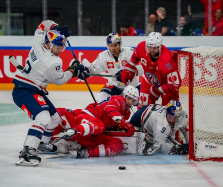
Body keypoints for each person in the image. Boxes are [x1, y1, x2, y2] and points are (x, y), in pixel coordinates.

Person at [12, 20, 88, 166]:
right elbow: (61, 80)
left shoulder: (38, 41)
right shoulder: (51, 62)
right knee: (43, 118)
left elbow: (44, 24)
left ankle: (42, 143)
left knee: (55, 119)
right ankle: (28, 150)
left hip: (33, 89)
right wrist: (74, 70)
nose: (60, 50)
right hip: (24, 90)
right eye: (58, 47)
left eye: (62, 47)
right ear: (49, 44)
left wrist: (56, 28)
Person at [54, 85, 139, 158]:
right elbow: (110, 108)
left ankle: (85, 152)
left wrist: (124, 128)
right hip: (86, 119)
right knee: (100, 125)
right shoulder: (118, 100)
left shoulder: (126, 113)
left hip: (92, 134)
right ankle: (73, 132)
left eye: (133, 101)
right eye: (129, 99)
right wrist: (123, 123)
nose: (130, 103)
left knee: (118, 144)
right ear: (124, 95)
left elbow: (114, 124)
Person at [117, 32, 181, 109]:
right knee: (142, 109)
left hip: (166, 86)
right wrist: (128, 70)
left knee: (170, 112)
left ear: (160, 46)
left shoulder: (166, 61)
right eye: (149, 47)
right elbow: (134, 59)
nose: (151, 50)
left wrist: (157, 90)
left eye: (154, 48)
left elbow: (175, 84)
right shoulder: (141, 47)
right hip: (148, 81)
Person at [78, 33, 143, 103]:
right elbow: (94, 68)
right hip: (114, 85)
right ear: (108, 46)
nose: (113, 48)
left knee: (141, 105)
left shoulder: (130, 52)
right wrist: (86, 72)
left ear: (120, 44)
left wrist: (128, 72)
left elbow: (142, 67)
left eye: (115, 45)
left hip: (132, 86)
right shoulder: (103, 56)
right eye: (111, 45)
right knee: (100, 100)